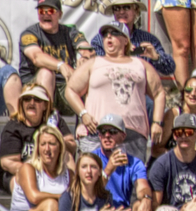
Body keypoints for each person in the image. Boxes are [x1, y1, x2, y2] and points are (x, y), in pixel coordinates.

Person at [70, 16, 164, 163]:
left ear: (126, 40)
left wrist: (157, 122)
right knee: (92, 179)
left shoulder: (140, 64)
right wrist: (83, 114)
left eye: (114, 33)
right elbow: (71, 90)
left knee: (130, 182)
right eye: (106, 34)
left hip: (132, 133)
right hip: (97, 132)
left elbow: (158, 93)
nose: (109, 36)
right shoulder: (94, 63)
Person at [14, 0, 86, 116]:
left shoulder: (70, 32)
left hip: (65, 88)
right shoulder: (29, 34)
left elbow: (85, 46)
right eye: (42, 11)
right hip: (35, 90)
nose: (46, 14)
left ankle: (87, 125)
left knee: (89, 76)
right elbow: (36, 57)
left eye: (50, 11)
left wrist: (84, 57)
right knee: (46, 73)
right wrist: (61, 65)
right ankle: (46, 121)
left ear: (60, 14)